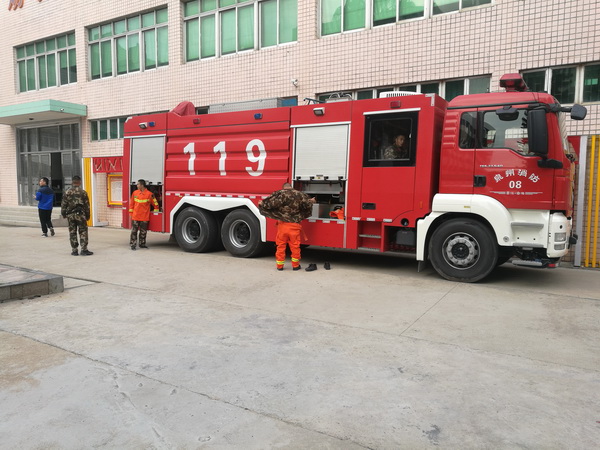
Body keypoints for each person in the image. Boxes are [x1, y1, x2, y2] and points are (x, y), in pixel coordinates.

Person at [259, 183, 315, 271]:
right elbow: (307, 205)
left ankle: (279, 266)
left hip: (282, 226)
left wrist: (262, 203)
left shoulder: (280, 194)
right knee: (295, 247)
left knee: (280, 246)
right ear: (291, 187)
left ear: (284, 188)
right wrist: (312, 201)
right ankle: (295, 266)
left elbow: (270, 204)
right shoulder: (299, 194)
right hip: (294, 226)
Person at [61, 175, 93, 256]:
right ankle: (84, 249)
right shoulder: (83, 192)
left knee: (72, 232)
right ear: (80, 182)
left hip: (70, 215)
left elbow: (64, 204)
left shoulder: (67, 192)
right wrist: (88, 215)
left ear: (72, 182)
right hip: (81, 215)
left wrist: (63, 214)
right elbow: (87, 205)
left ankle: (74, 250)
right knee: (83, 231)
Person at [128, 179, 159, 250]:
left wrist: (155, 212)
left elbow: (155, 204)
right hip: (135, 216)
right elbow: (131, 204)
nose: (137, 185)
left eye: (138, 184)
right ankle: (133, 245)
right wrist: (131, 213)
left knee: (143, 232)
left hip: (144, 217)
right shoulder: (135, 193)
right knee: (134, 231)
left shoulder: (150, 194)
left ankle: (142, 244)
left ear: (142, 185)